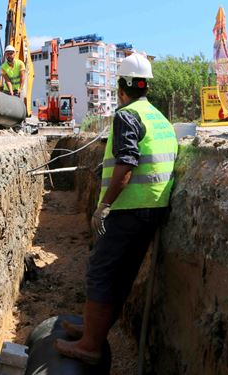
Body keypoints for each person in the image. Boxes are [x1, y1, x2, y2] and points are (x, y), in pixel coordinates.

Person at [54, 52, 178, 365]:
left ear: (121, 87)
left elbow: (126, 164)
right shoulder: (159, 118)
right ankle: (93, 329)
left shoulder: (126, 115)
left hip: (129, 209)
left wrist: (103, 205)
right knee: (120, 276)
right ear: (146, 86)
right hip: (153, 208)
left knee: (101, 272)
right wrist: (100, 173)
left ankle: (90, 345)